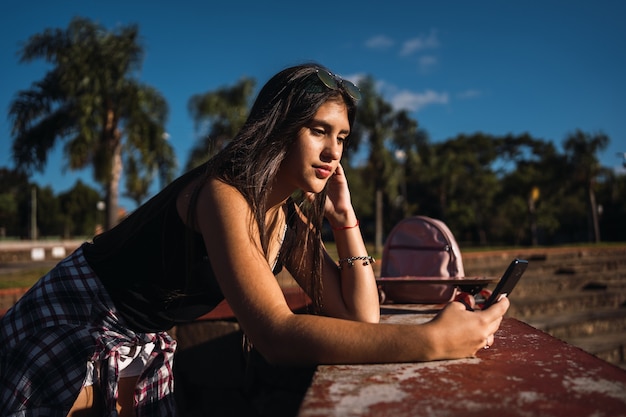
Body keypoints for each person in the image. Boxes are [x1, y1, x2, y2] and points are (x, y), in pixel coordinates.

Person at [0, 63, 509, 416]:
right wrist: (433, 341)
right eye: (318, 130)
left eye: (343, 138)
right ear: (279, 128)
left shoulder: (286, 220)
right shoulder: (224, 193)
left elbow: (361, 317)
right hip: (77, 319)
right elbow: (275, 335)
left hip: (136, 342)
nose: (334, 151)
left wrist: (343, 217)